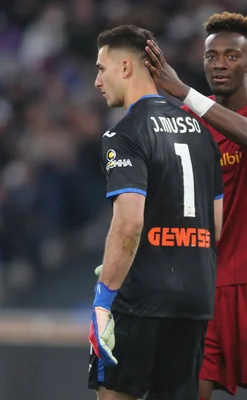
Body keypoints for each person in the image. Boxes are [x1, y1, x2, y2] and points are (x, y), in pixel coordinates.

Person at [144, 12, 247, 400]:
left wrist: (184, 93)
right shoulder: (187, 123)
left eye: (231, 55)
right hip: (200, 285)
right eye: (212, 56)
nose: (220, 64)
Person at [88, 25, 224, 400]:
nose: (98, 81)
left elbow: (129, 223)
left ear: (126, 67)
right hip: (195, 298)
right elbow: (217, 225)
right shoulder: (202, 131)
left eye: (102, 68)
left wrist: (104, 299)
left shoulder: (124, 134)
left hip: (141, 299)